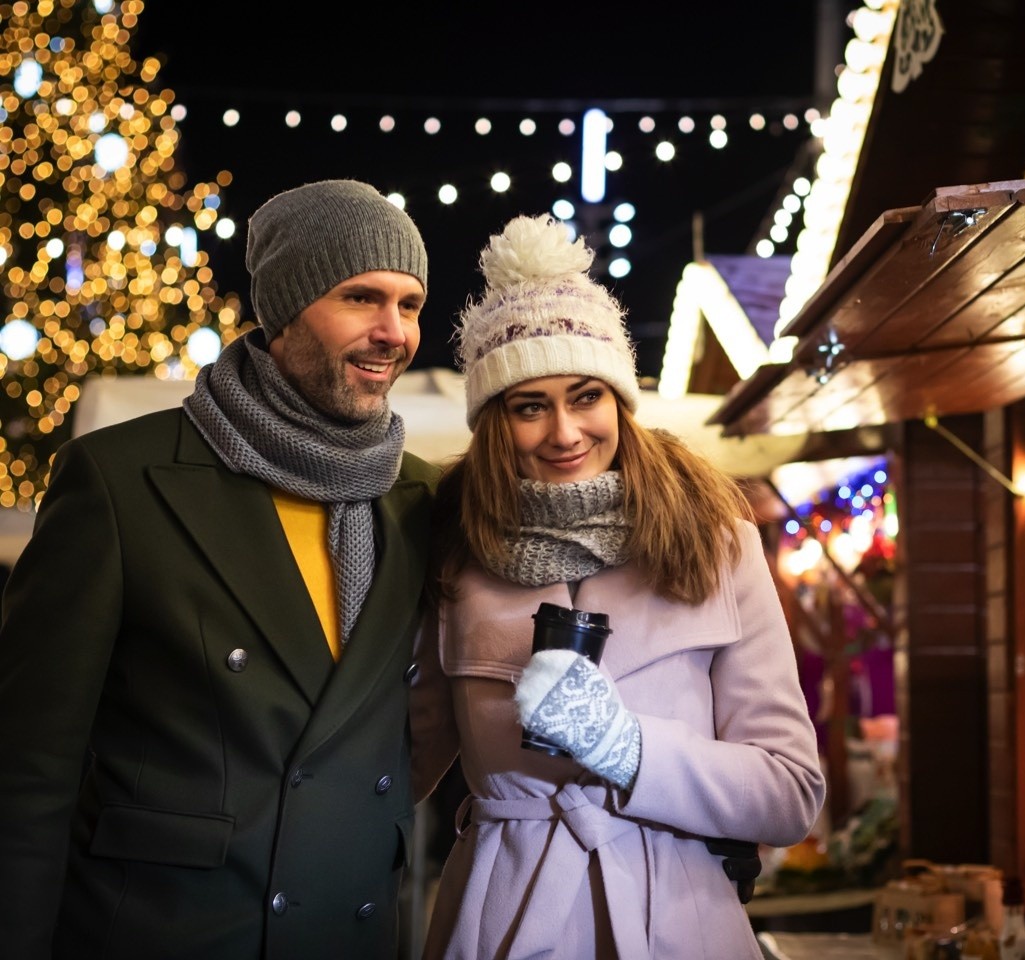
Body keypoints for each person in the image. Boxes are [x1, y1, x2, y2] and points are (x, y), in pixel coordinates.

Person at [0, 179, 437, 959]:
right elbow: (28, 773)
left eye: (409, 304)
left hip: (345, 931)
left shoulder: (417, 499)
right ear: (284, 308)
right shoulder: (120, 481)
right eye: (361, 298)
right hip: (166, 932)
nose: (393, 332)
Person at [411, 214, 825, 959]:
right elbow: (396, 765)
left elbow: (790, 793)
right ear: (493, 423)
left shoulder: (718, 543)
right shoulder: (451, 555)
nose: (565, 431)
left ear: (620, 402)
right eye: (529, 406)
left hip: (681, 919)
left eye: (586, 396)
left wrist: (630, 748)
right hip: (504, 918)